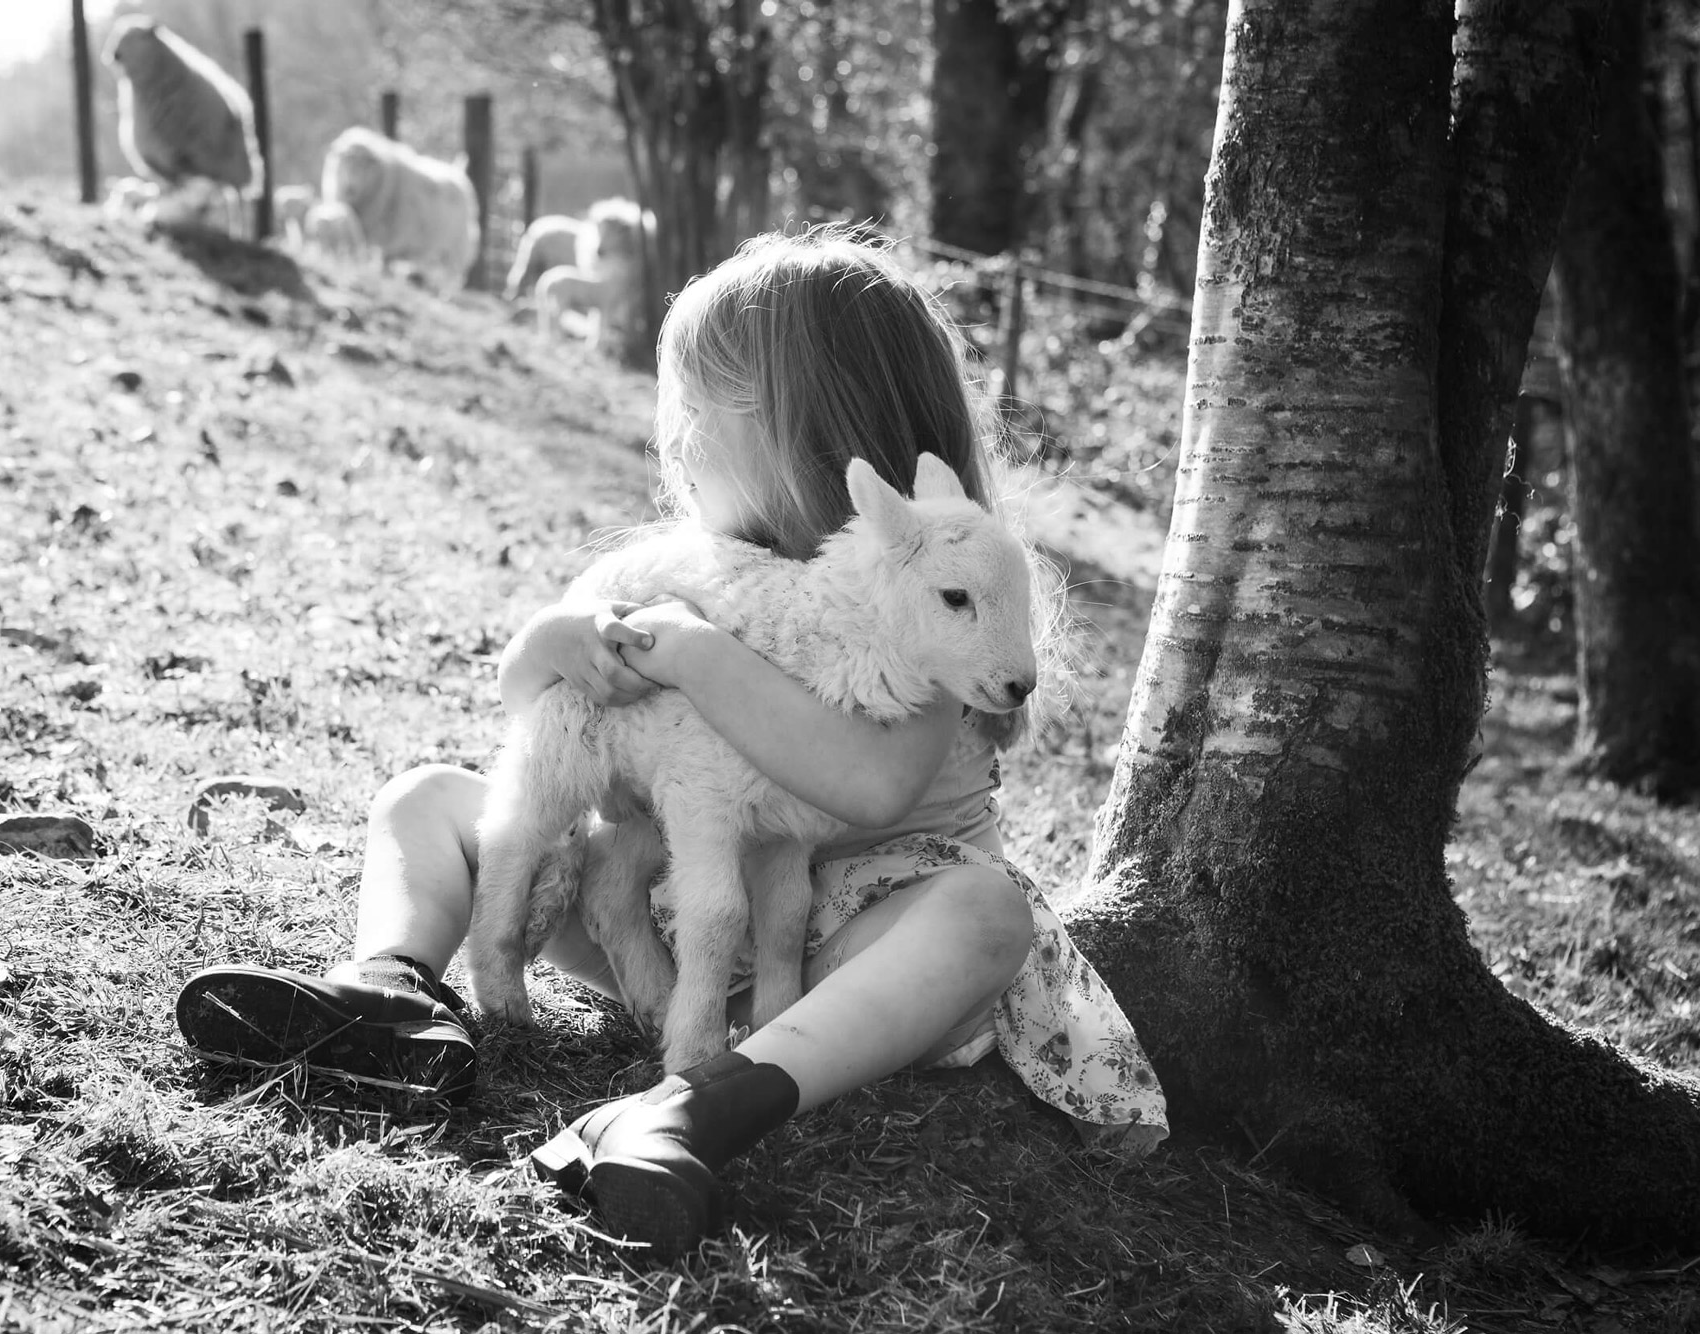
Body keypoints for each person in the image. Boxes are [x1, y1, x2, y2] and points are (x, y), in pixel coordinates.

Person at [175, 228, 1168, 1259]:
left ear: (809, 433)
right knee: (428, 796)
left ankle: (700, 1108)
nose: (677, 442)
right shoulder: (692, 564)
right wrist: (553, 642)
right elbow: (532, 710)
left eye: (700, 411)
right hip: (660, 915)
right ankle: (387, 989)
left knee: (980, 912)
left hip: (848, 954)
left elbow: (868, 788)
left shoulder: (918, 606)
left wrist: (697, 656)